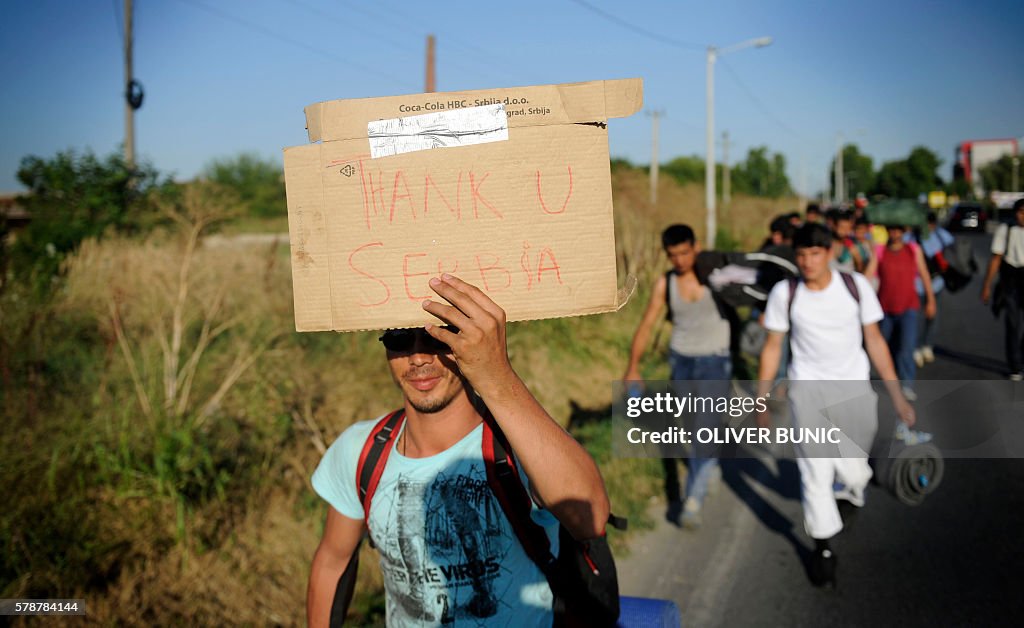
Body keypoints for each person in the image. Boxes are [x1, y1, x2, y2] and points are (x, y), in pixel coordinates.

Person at [307, 274, 610, 626]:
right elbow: (332, 562)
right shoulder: (361, 451)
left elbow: (592, 516)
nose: (418, 358)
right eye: (400, 338)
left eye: (440, 337)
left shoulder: (519, 444)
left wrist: (495, 372)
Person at [757, 223, 916, 588]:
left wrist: (897, 394)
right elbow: (772, 348)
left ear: (829, 253)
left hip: (854, 389)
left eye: (815, 254)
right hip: (807, 392)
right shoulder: (786, 293)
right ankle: (823, 548)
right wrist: (762, 400)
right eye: (801, 255)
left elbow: (875, 341)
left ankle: (854, 489)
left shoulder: (855, 287)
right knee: (815, 473)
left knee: (854, 469)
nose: (808, 262)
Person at [623, 224, 731, 529]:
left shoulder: (715, 275)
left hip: (715, 361)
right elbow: (646, 325)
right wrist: (633, 367)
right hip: (681, 361)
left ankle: (691, 502)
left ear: (695, 247)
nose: (680, 260)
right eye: (673, 255)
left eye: (685, 252)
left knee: (704, 429)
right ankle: (709, 464)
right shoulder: (665, 283)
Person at [865, 224, 936, 401]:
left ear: (904, 232)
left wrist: (930, 300)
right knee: (884, 347)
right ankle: (889, 380)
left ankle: (906, 384)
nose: (895, 233)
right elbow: (868, 276)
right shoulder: (880, 250)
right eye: (892, 230)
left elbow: (925, 274)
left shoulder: (913, 250)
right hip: (884, 308)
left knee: (906, 347)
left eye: (898, 230)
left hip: (909, 306)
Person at [982, 198, 1024, 380]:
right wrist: (987, 285)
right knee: (1012, 323)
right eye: (1021, 211)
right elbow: (996, 258)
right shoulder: (1005, 230)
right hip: (1011, 281)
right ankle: (1015, 364)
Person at [914, 212, 955, 367]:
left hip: (936, 283)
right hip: (917, 285)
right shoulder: (913, 237)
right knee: (918, 319)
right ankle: (916, 347)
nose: (929, 227)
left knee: (933, 317)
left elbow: (953, 247)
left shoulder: (940, 235)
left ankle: (927, 345)